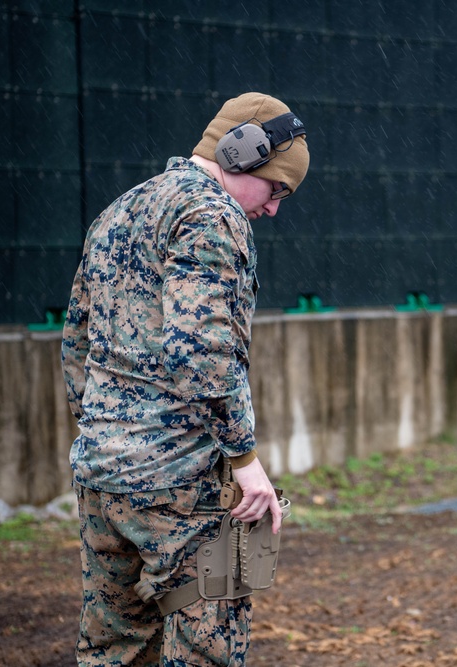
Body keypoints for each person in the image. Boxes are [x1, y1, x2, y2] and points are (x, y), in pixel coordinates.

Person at [61, 92, 309, 666]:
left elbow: (77, 341)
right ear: (241, 155)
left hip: (102, 479)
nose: (274, 209)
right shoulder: (212, 216)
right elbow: (205, 354)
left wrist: (108, 435)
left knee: (112, 649)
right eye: (276, 189)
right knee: (205, 651)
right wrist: (246, 464)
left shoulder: (122, 209)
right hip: (184, 490)